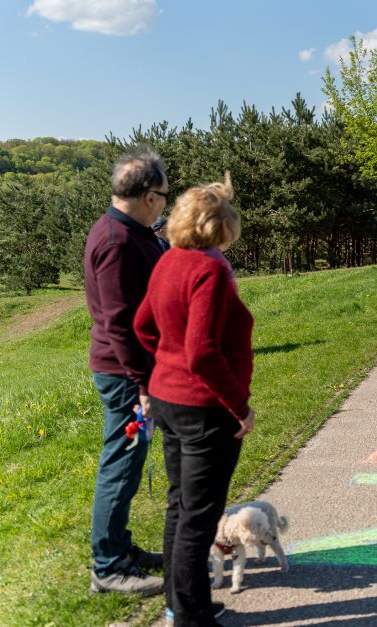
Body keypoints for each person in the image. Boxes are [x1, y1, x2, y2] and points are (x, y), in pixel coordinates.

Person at [134, 173, 254, 626]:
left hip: (169, 399)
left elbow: (144, 326)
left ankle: (180, 604)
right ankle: (191, 618)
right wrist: (238, 407)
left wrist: (162, 367)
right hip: (204, 409)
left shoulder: (169, 261)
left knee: (179, 507)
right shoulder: (207, 270)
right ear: (219, 226)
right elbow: (203, 352)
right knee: (198, 520)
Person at [84, 149, 167, 596]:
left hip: (130, 373)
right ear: (148, 195)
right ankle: (108, 566)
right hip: (125, 376)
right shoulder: (117, 242)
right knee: (121, 465)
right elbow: (118, 323)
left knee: (128, 464)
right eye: (164, 195)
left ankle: (120, 549)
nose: (166, 204)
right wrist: (143, 384)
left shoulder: (128, 232)